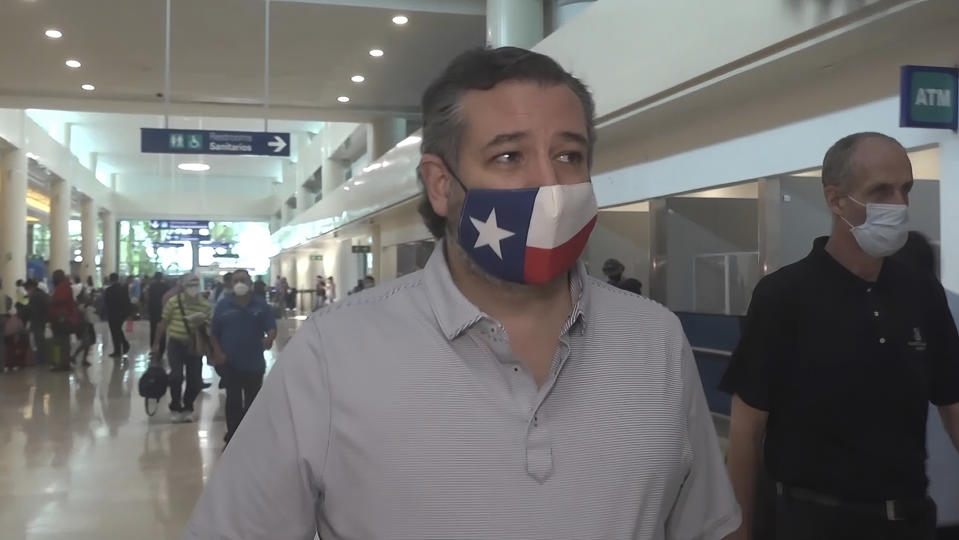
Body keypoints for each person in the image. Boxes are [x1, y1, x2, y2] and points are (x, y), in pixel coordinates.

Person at [184, 46, 739, 540]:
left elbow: (709, 524)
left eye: (569, 155)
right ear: (442, 185)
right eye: (508, 157)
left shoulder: (655, 339)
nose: (549, 183)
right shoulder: (335, 353)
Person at [721, 133, 959, 540]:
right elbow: (746, 432)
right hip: (813, 522)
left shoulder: (922, 292)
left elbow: (953, 402)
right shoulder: (785, 296)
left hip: (910, 520)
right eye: (881, 191)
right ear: (835, 200)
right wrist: (737, 531)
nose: (899, 204)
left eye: (906, 189)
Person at [210, 269, 277, 444]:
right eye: (236, 280)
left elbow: (271, 326)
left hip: (254, 362)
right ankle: (233, 436)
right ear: (231, 284)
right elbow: (214, 332)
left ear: (250, 284)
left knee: (252, 402)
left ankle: (250, 437)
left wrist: (269, 338)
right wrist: (217, 352)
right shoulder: (223, 305)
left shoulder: (260, 305)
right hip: (230, 363)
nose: (240, 283)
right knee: (233, 401)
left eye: (243, 280)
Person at [152, 274, 211, 423]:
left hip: (195, 345)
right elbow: (163, 323)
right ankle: (175, 406)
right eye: (190, 284)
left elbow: (210, 326)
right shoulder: (173, 302)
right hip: (176, 344)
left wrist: (203, 323)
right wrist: (156, 344)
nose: (193, 288)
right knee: (176, 376)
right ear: (183, 286)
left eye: (195, 284)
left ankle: (188, 406)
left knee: (195, 380)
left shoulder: (205, 305)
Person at [48, 269, 80, 371]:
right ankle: (65, 363)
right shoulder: (66, 286)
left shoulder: (62, 287)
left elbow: (60, 300)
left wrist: (52, 300)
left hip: (60, 318)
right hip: (64, 318)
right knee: (65, 342)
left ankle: (58, 363)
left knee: (57, 343)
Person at [104, 273, 132, 358]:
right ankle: (123, 346)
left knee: (114, 331)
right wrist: (128, 313)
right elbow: (127, 301)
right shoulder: (123, 289)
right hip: (121, 314)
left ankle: (118, 349)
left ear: (110, 280)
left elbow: (106, 303)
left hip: (112, 314)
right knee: (118, 330)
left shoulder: (108, 290)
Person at [24, 279, 49, 366]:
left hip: (36, 321)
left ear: (31, 287)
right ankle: (43, 359)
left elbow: (29, 310)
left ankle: (41, 360)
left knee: (38, 341)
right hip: (43, 320)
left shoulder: (34, 296)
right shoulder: (43, 294)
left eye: (27, 289)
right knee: (41, 340)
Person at [147, 272, 171, 360]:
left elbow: (149, 299)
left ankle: (153, 349)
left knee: (153, 331)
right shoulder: (165, 286)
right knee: (162, 331)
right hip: (163, 311)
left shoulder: (151, 286)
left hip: (153, 312)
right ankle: (161, 350)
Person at [70, 290, 96, 367]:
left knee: (87, 343)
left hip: (86, 325)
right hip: (83, 326)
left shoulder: (82, 305)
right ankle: (74, 356)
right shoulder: (79, 306)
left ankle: (82, 359)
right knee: (86, 343)